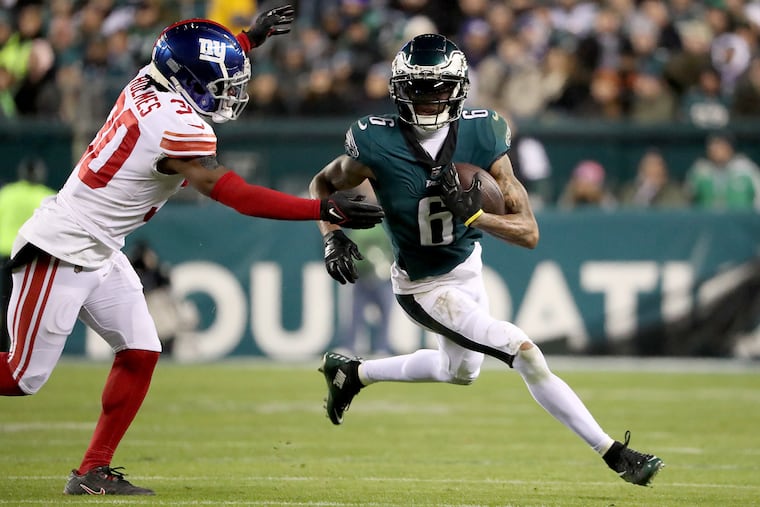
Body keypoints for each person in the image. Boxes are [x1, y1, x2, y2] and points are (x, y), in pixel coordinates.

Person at [0, 6, 384, 497]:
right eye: (221, 82)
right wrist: (322, 208)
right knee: (19, 376)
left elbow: (188, 58)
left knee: (141, 350)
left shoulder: (151, 77)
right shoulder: (178, 126)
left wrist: (245, 41)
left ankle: (92, 470)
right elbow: (236, 195)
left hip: (100, 244)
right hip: (65, 244)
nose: (230, 92)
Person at [310, 33, 664, 487]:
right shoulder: (374, 141)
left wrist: (475, 214)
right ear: (399, 89)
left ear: (457, 88)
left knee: (459, 371)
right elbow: (321, 185)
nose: (427, 98)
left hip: (467, 265)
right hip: (423, 285)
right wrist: (330, 235)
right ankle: (614, 453)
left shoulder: (483, 132)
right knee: (524, 351)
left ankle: (352, 373)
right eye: (417, 87)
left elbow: (529, 232)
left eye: (437, 87)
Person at [0, 157, 56, 352]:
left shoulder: (7, 194)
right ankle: (25, 349)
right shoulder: (47, 196)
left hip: (4, 255)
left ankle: (3, 350)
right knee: (28, 308)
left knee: (5, 306)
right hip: (33, 257)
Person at [334, 182, 394, 357]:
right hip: (362, 276)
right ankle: (349, 346)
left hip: (383, 278)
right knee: (355, 313)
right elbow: (354, 247)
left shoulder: (386, 219)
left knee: (385, 313)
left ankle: (382, 347)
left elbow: (393, 247)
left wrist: (388, 264)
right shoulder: (357, 219)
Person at [684, 132, 760, 210]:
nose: (717, 150)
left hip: (742, 219)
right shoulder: (699, 170)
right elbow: (688, 200)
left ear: (730, 147)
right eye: (713, 146)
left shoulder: (747, 169)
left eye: (721, 145)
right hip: (707, 219)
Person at [619, 148, 688, 208]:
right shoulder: (629, 191)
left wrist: (655, 193)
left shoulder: (674, 192)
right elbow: (627, 214)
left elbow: (680, 212)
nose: (654, 173)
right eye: (649, 172)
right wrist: (644, 195)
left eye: (658, 173)